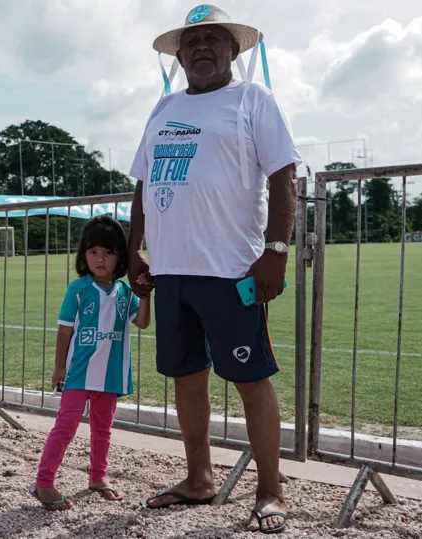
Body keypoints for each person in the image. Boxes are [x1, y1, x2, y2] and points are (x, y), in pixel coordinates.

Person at [127, 4, 302, 535]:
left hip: (230, 269)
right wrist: (135, 249)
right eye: (192, 41)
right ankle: (199, 478)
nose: (201, 47)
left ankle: (270, 490)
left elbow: (283, 177)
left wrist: (276, 248)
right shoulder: (163, 109)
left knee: (251, 379)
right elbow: (142, 183)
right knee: (186, 380)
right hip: (172, 270)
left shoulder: (253, 100)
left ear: (233, 50)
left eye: (213, 39)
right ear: (178, 55)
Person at [30, 215, 152, 511]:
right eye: (93, 251)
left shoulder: (125, 292)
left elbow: (143, 323)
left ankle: (98, 478)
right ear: (84, 255)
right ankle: (44, 482)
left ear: (120, 257)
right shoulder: (79, 288)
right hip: (78, 372)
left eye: (108, 252)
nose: (100, 259)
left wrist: (146, 293)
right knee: (66, 426)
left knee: (103, 428)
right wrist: (59, 368)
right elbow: (64, 329)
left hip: (110, 374)